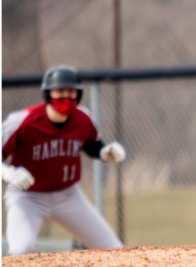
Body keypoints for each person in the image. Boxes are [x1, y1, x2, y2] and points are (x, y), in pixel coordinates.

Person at [2, 65, 126, 255]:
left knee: (113, 248)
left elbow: (92, 145)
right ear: (47, 94)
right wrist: (9, 173)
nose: (66, 97)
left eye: (71, 91)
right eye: (60, 91)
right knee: (21, 250)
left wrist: (105, 152)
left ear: (79, 95)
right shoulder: (22, 121)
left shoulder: (83, 118)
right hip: (27, 197)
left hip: (68, 196)